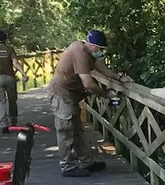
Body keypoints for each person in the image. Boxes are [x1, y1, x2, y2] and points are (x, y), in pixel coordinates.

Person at [47, 29, 132, 177]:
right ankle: (67, 166)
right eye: (100, 49)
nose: (101, 52)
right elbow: (88, 83)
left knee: (77, 130)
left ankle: (87, 162)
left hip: (71, 96)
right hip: (61, 95)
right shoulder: (79, 52)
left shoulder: (89, 53)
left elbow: (102, 68)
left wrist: (119, 78)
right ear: (92, 45)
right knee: (66, 131)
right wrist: (105, 94)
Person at [0, 30, 28, 134]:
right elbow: (15, 63)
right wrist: (24, 74)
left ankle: (4, 124)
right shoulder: (10, 49)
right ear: (5, 39)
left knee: (0, 102)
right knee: (12, 100)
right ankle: (13, 120)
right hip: (10, 78)